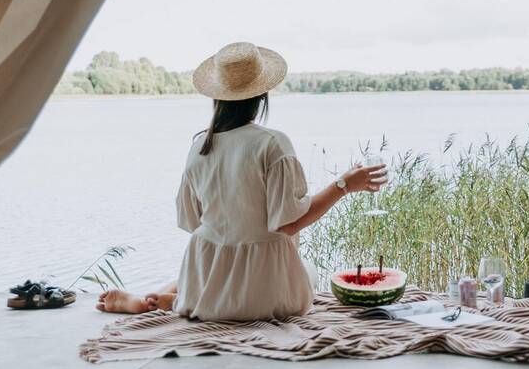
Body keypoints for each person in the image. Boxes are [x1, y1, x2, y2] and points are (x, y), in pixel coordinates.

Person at [97, 42, 387, 320]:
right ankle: (181, 298)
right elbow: (289, 223)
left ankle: (168, 298)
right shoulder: (272, 144)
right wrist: (344, 185)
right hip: (266, 297)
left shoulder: (198, 148)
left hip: (206, 288)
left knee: (207, 265)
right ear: (262, 95)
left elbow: (191, 222)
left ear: (217, 96)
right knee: (307, 270)